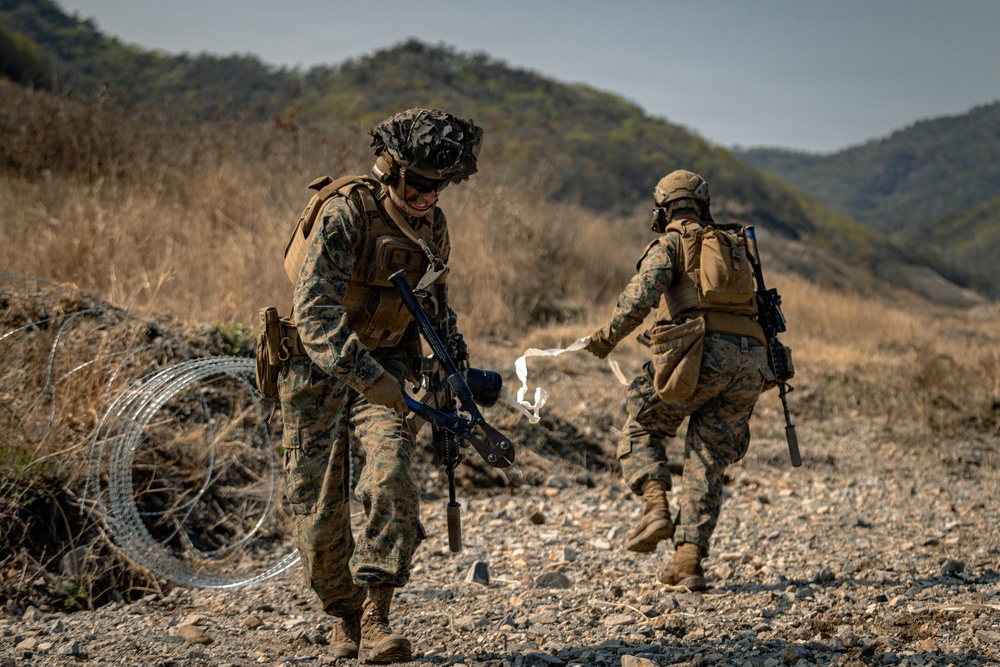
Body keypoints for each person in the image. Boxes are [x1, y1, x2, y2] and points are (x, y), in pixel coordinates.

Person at [277, 108, 483, 663]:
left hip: (389, 366)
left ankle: (375, 617)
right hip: (316, 371)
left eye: (439, 187)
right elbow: (315, 315)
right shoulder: (347, 215)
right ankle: (341, 615)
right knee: (319, 514)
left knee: (391, 475)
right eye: (418, 184)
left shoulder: (432, 225)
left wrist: (449, 364)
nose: (428, 197)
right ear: (391, 169)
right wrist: (369, 378)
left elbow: (434, 303)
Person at [584, 169, 774, 591]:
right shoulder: (739, 247)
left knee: (642, 424)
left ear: (661, 209)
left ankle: (655, 507)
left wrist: (605, 339)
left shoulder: (672, 243)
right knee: (708, 458)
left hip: (698, 357)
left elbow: (640, 296)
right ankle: (687, 562)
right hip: (751, 364)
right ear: (704, 206)